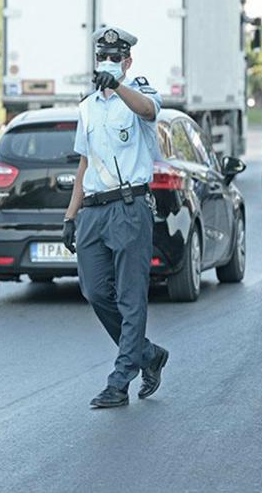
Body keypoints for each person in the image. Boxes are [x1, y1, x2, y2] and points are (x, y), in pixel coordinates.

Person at [62, 25, 169, 409]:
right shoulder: (87, 107)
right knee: (94, 290)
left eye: (114, 58)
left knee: (130, 297)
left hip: (129, 207)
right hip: (94, 209)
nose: (106, 63)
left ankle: (120, 380)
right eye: (101, 57)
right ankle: (147, 354)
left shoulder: (139, 92)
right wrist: (70, 216)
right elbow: (84, 163)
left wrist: (119, 87)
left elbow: (148, 109)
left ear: (127, 61)